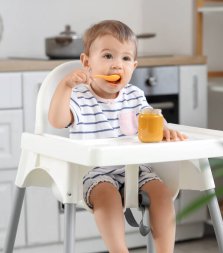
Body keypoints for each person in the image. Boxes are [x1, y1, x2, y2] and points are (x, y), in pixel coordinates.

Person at [48, 20, 186, 253]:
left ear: (133, 66)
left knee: (162, 194)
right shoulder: (80, 96)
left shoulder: (134, 95)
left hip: (135, 167)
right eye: (108, 56)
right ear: (87, 62)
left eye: (125, 59)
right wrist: (65, 86)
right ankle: (119, 250)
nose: (116, 66)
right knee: (107, 196)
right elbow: (57, 121)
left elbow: (150, 117)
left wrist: (164, 127)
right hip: (94, 170)